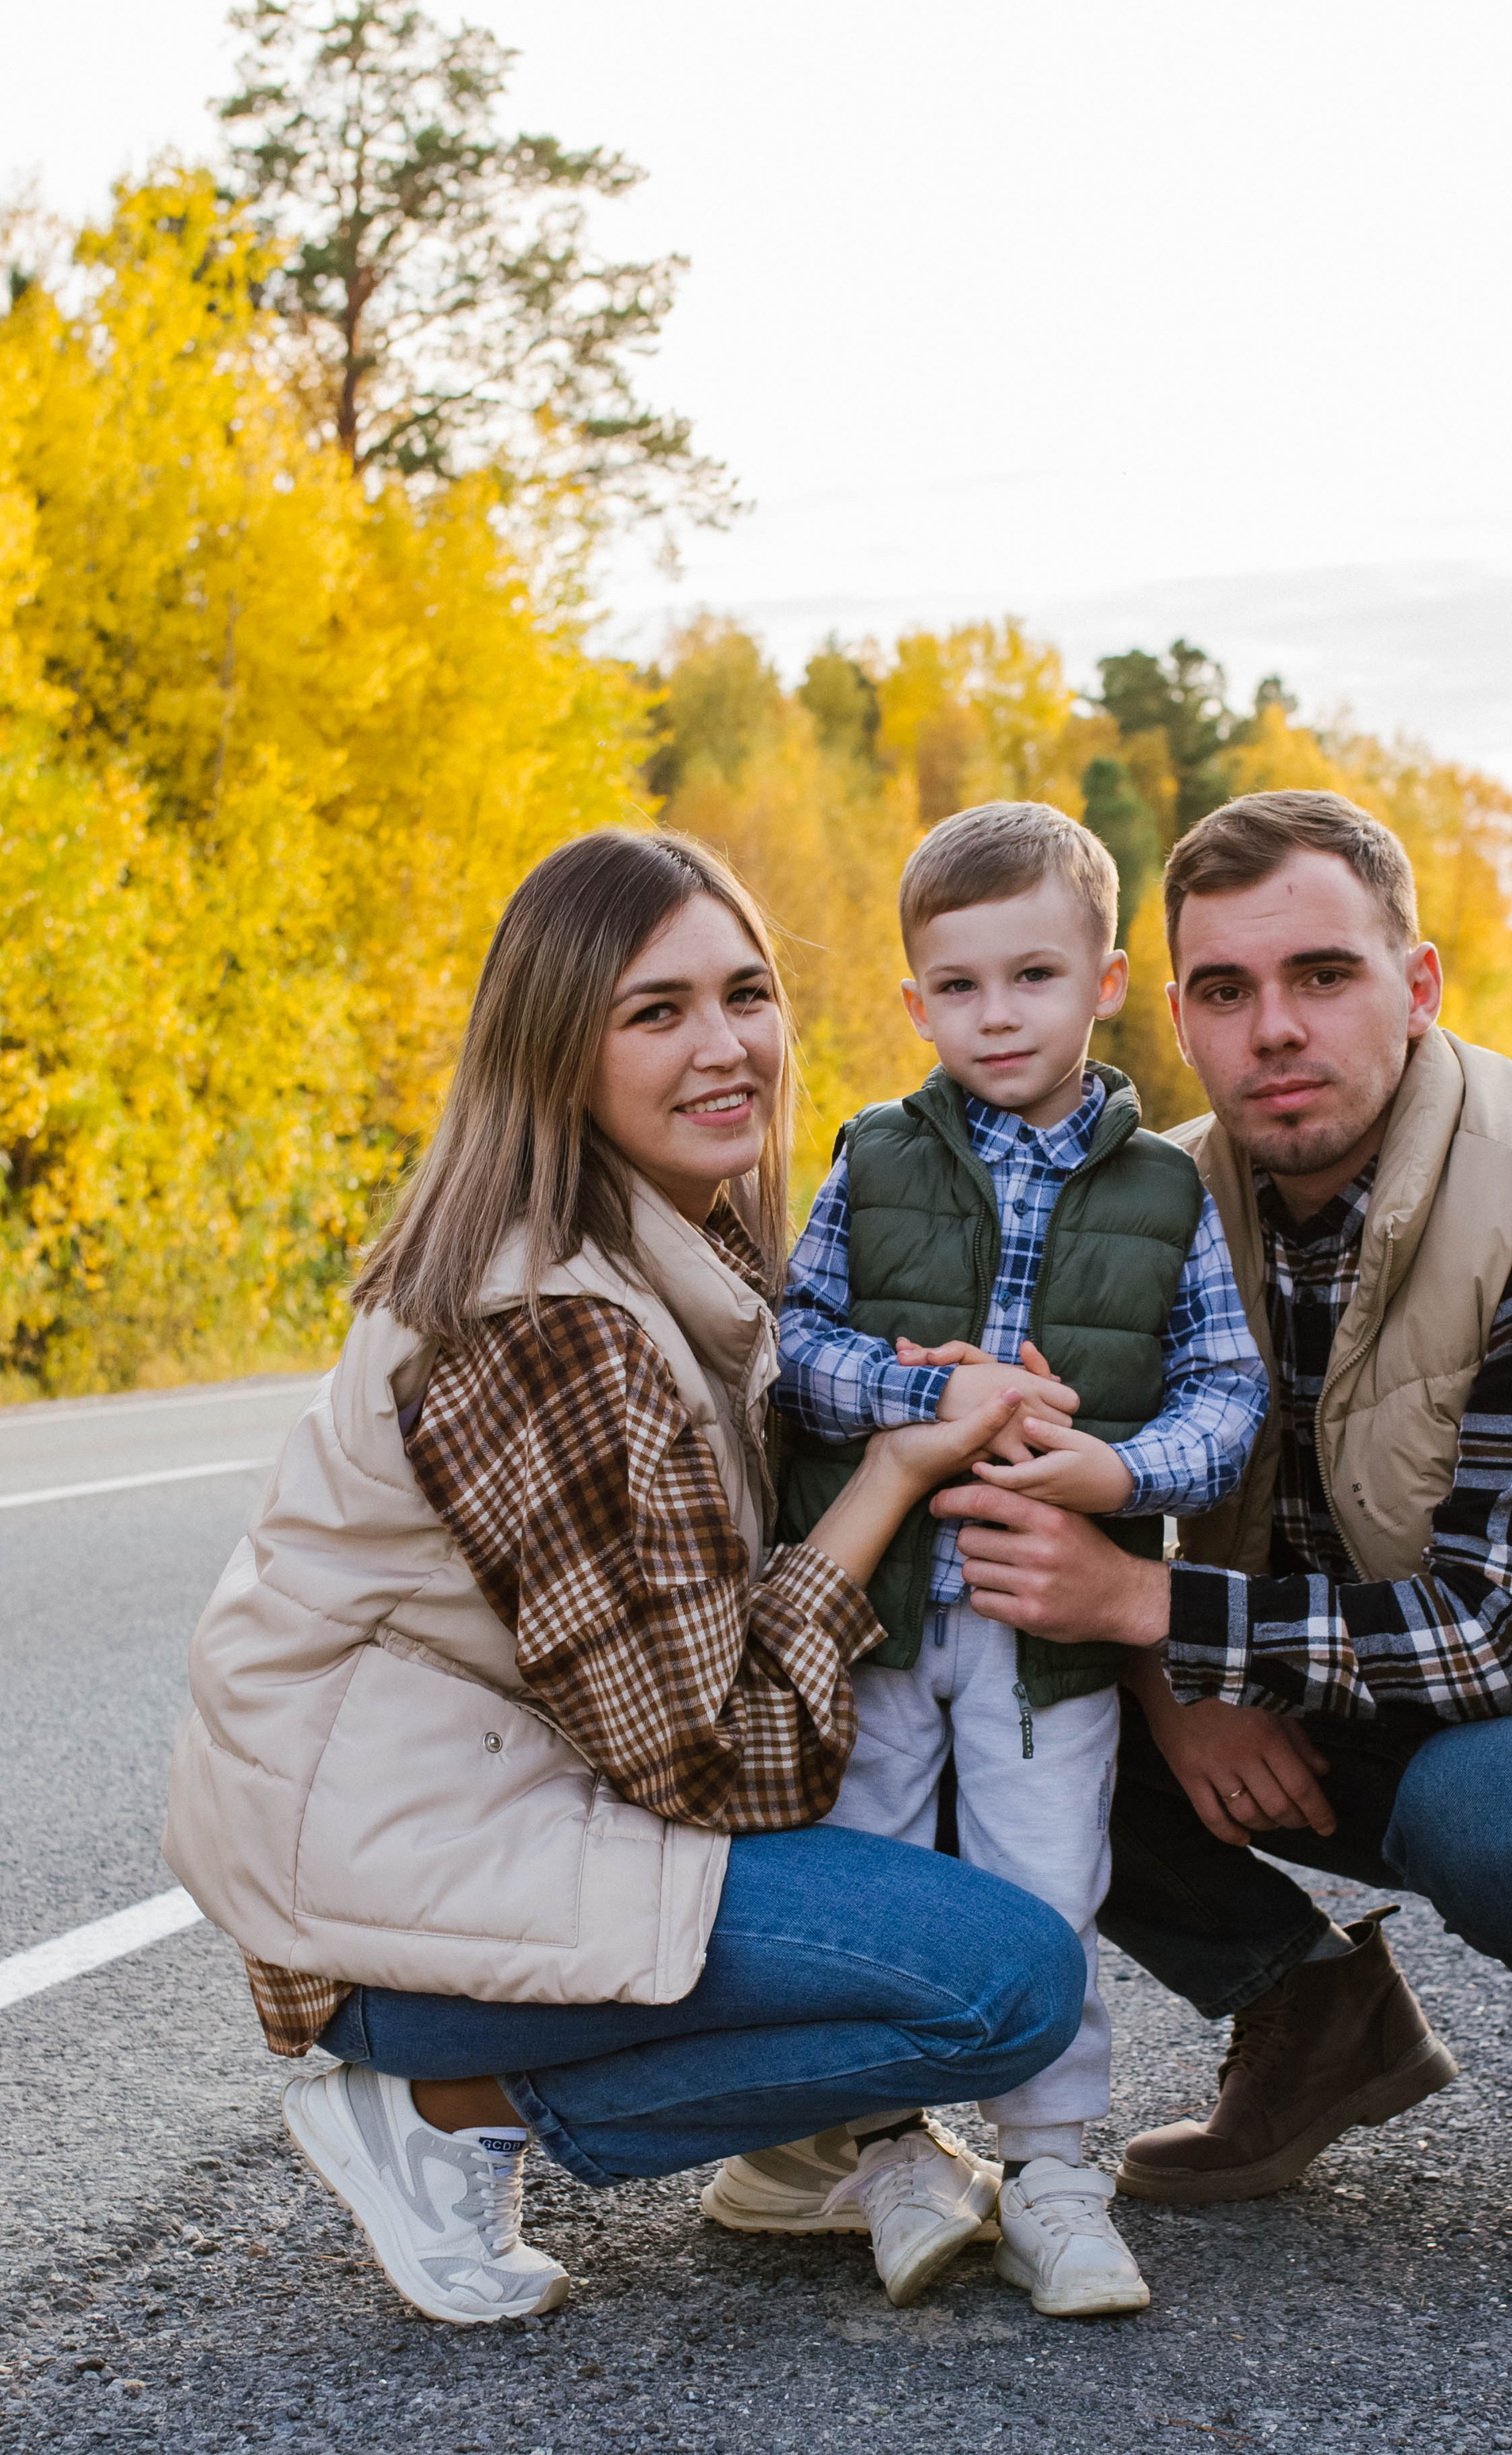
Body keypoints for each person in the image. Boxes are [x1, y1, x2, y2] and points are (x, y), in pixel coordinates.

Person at [920, 789, 1512, 2272]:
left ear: (1416, 986)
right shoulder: (1149, 1201)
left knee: (1499, 1810)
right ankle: (1310, 2016)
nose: (1275, 1030)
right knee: (977, 1704)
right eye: (1226, 990)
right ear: (1176, 1017)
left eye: (1323, 975)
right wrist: (1167, 1687)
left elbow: (1501, 1633)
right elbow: (1058, 1504)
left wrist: (1156, 1618)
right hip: (1309, 1670)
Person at [162, 827, 1087, 2328]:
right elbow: (717, 1760)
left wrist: (910, 1407)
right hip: (401, 1913)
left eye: (746, 995)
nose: (725, 1047)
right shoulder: (553, 1329)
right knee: (1004, 1986)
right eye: (656, 1012)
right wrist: (891, 1480)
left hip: (488, 1827)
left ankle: (790, 2153)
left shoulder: (668, 1256)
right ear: (556, 1052)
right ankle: (445, 2110)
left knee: (955, 1768)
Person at [702, 802, 1268, 2318]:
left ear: (1106, 983)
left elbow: (1227, 1399)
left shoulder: (1167, 1194)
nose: (996, 1015)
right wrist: (920, 1396)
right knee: (876, 1881)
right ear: (914, 1002)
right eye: (958, 986)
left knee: (1048, 1885)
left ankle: (1055, 2172)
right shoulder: (873, 1157)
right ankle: (890, 2150)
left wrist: (1114, 1471)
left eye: (1034, 977)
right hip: (879, 1617)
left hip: (1047, 1631)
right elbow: (789, 1346)